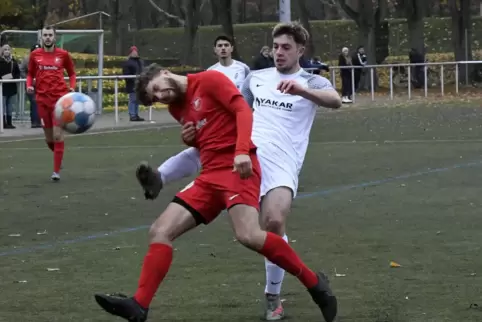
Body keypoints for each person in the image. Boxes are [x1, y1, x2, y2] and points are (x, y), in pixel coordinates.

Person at [130, 22, 342, 321]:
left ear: (300, 50)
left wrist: (303, 90)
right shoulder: (257, 77)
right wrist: (197, 132)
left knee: (273, 221)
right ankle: (160, 177)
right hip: (246, 146)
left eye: (286, 47)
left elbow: (336, 101)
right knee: (205, 150)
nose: (279, 52)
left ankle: (273, 294)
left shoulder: (312, 81)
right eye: (276, 46)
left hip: (282, 159)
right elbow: (231, 109)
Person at [27, 26, 76, 181]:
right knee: (49, 139)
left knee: (57, 135)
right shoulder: (35, 55)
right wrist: (29, 84)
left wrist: (72, 87)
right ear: (42, 37)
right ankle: (58, 156)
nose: (47, 37)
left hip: (59, 100)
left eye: (50, 35)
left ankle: (56, 172)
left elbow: (72, 73)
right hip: (42, 100)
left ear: (55, 37)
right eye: (45, 35)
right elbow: (30, 73)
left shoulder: (63, 54)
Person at [20, 44, 42, 128]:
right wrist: (29, 79)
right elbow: (22, 70)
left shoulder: (44, 59)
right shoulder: (27, 59)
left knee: (41, 102)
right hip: (31, 85)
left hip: (41, 84)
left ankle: (40, 121)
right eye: (35, 50)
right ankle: (34, 122)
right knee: (34, 102)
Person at [0, 44, 20, 129]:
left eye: (8, 49)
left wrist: (14, 78)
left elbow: (17, 73)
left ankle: (9, 122)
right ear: (2, 51)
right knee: (2, 105)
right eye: (5, 49)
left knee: (9, 106)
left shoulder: (13, 62)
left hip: (11, 87)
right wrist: (3, 78)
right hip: (2, 87)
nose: (7, 51)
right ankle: (3, 123)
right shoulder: (0, 61)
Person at [123, 46, 145, 121]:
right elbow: (126, 74)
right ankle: (132, 115)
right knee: (133, 99)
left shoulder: (139, 61)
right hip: (132, 84)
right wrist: (133, 80)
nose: (135, 53)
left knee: (136, 99)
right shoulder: (128, 62)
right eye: (133, 51)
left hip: (138, 83)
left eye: (136, 51)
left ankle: (135, 114)